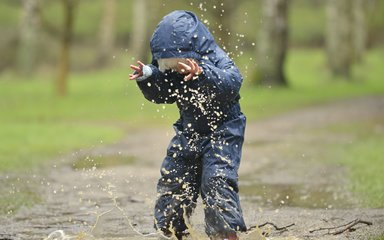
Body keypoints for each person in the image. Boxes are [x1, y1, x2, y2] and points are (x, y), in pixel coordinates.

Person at [129, 10, 246, 240]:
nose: (173, 70)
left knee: (216, 181)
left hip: (223, 130)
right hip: (189, 130)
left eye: (175, 64)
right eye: (167, 65)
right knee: (175, 179)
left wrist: (202, 74)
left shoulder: (215, 58)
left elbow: (233, 83)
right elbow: (164, 93)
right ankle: (170, 230)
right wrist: (148, 78)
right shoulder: (171, 69)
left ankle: (224, 233)